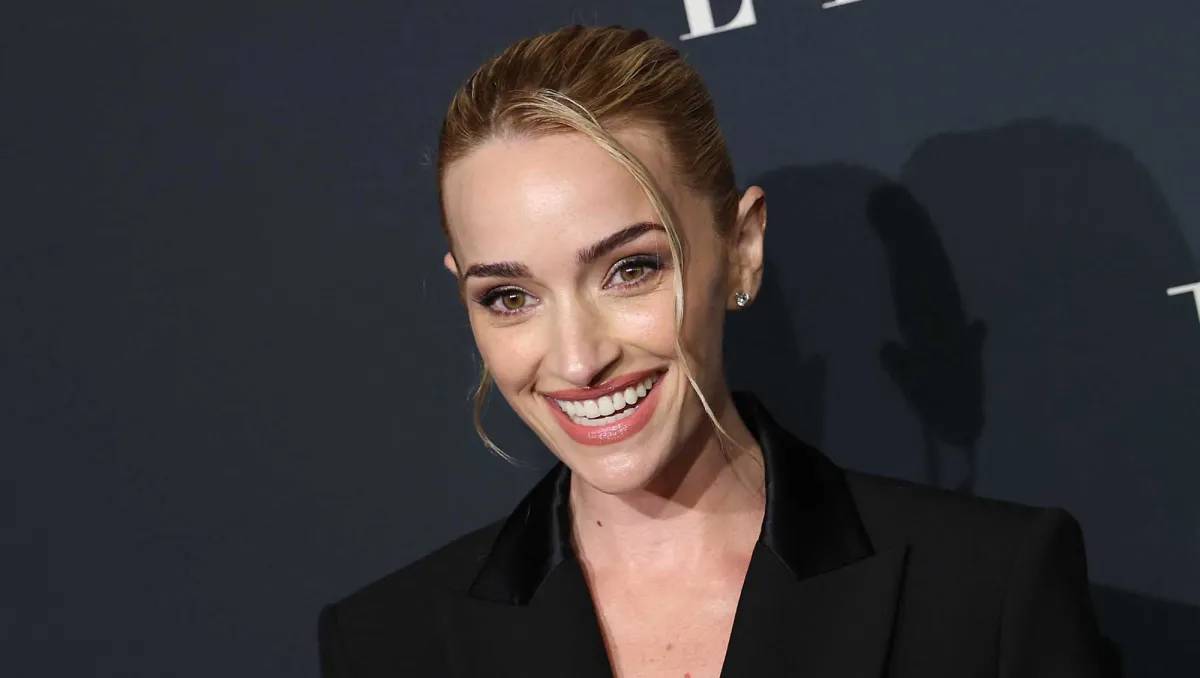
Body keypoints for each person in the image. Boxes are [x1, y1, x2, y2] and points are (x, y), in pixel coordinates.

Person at [317, 25, 1108, 677]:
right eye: (509, 297)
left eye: (631, 269)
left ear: (742, 249)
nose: (577, 360)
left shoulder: (986, 591)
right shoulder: (389, 645)